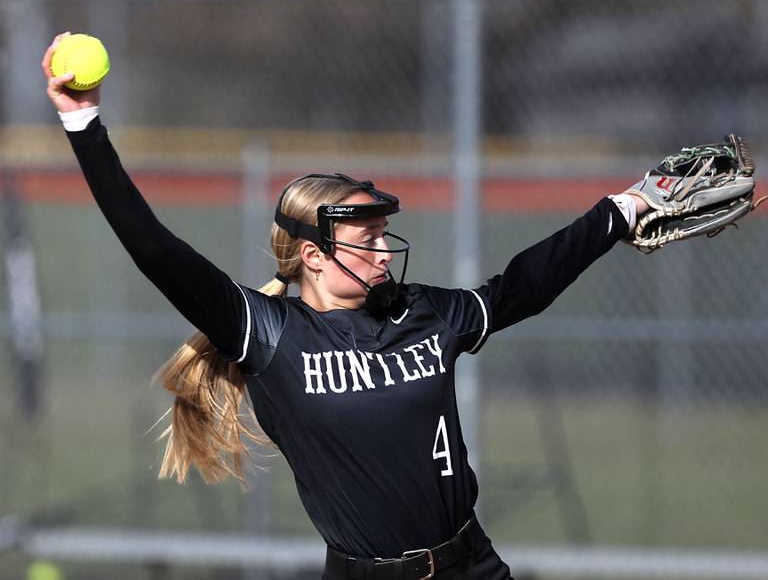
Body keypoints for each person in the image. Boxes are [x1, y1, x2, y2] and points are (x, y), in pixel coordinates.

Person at [43, 32, 649, 580]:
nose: (385, 252)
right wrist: (84, 124)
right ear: (312, 256)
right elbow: (154, 249)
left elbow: (523, 286)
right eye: (368, 241)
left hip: (473, 566)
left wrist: (616, 214)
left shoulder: (421, 313)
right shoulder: (269, 334)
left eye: (385, 235)